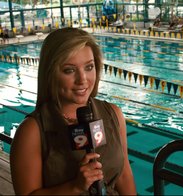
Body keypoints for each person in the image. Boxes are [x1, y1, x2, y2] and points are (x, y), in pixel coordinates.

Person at [10, 27, 137, 195]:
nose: (82, 80)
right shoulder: (31, 132)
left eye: (89, 67)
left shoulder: (113, 114)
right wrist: (74, 187)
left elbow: (124, 175)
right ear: (51, 74)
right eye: (69, 70)